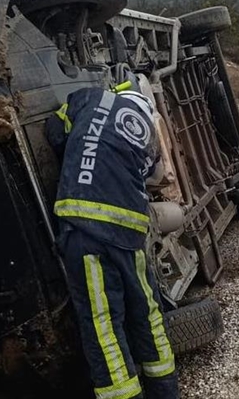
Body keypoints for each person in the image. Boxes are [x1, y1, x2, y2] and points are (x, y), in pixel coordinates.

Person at [46, 86, 178, 399]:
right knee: (147, 314)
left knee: (103, 325)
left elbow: (54, 130)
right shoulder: (146, 139)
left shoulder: (94, 98)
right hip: (130, 233)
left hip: (86, 230)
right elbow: (148, 178)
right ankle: (166, 392)